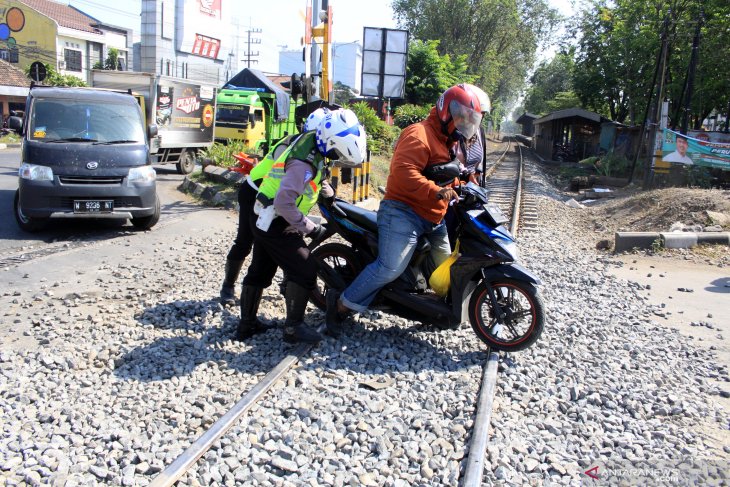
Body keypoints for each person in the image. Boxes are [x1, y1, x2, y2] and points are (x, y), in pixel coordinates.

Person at [325, 84, 484, 338]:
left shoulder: (446, 141)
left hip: (433, 216)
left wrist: (464, 187)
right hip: (402, 211)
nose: (463, 124)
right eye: (461, 118)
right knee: (390, 267)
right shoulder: (418, 134)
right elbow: (404, 173)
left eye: (468, 119)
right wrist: (436, 191)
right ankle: (339, 306)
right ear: (446, 112)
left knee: (446, 269)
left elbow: (442, 173)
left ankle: (429, 311)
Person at [238, 109, 367, 343]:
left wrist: (325, 188)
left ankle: (246, 325)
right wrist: (309, 227)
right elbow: (284, 202)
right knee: (305, 268)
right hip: (276, 220)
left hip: (265, 217)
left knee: (260, 270)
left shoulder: (309, 143)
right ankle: (293, 328)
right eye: (337, 152)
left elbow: (310, 181)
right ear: (329, 142)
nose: (337, 157)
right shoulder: (302, 164)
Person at [219, 108, 331, 306]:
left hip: (277, 200)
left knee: (277, 245)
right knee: (245, 240)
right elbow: (286, 182)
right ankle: (228, 286)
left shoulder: (312, 151)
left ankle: (279, 286)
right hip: (256, 191)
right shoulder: (294, 147)